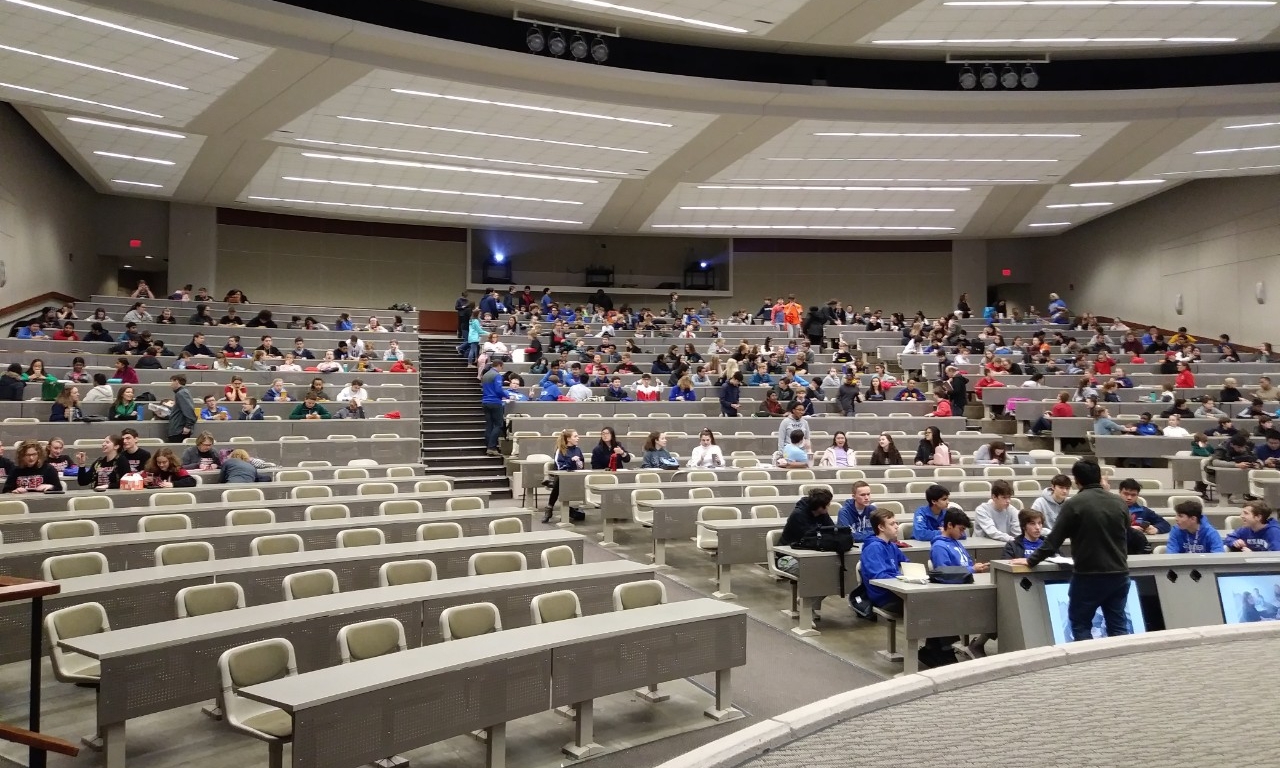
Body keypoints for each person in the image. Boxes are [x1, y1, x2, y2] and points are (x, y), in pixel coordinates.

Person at [1012, 460, 1131, 642]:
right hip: (1120, 574)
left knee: (1081, 625)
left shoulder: (1074, 504)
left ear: (1077, 481)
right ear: (1099, 477)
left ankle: (1086, 669)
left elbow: (1053, 541)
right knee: (1118, 626)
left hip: (1089, 576)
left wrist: (1030, 560)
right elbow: (1126, 532)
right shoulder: (1119, 503)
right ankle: (1123, 668)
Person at [776, 489, 836, 618]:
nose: (829, 507)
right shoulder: (798, 515)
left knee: (834, 574)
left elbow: (831, 531)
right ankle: (807, 608)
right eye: (827, 504)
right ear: (818, 506)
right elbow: (811, 539)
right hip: (786, 558)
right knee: (814, 575)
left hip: (811, 557)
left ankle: (809, 602)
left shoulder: (823, 514)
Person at [543, 429, 585, 524]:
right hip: (563, 477)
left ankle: (550, 506)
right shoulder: (560, 450)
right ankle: (549, 508)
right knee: (560, 481)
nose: (578, 438)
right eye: (575, 436)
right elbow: (559, 467)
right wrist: (571, 461)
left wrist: (578, 463)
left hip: (575, 477)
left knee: (558, 483)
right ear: (569, 439)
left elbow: (582, 466)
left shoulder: (578, 450)